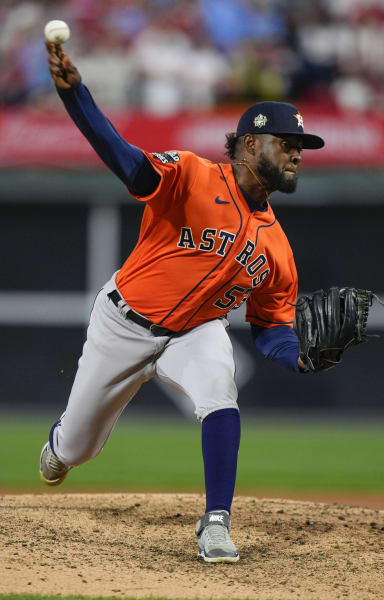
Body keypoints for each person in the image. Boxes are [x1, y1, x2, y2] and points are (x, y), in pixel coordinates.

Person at [39, 42, 325, 564]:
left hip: (196, 331)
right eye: (287, 143)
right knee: (75, 451)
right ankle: (60, 444)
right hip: (122, 323)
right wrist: (75, 94)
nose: (297, 153)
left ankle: (216, 522)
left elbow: (271, 327)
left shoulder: (278, 249)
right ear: (250, 143)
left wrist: (298, 355)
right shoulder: (192, 174)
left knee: (220, 390)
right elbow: (126, 161)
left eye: (301, 145)